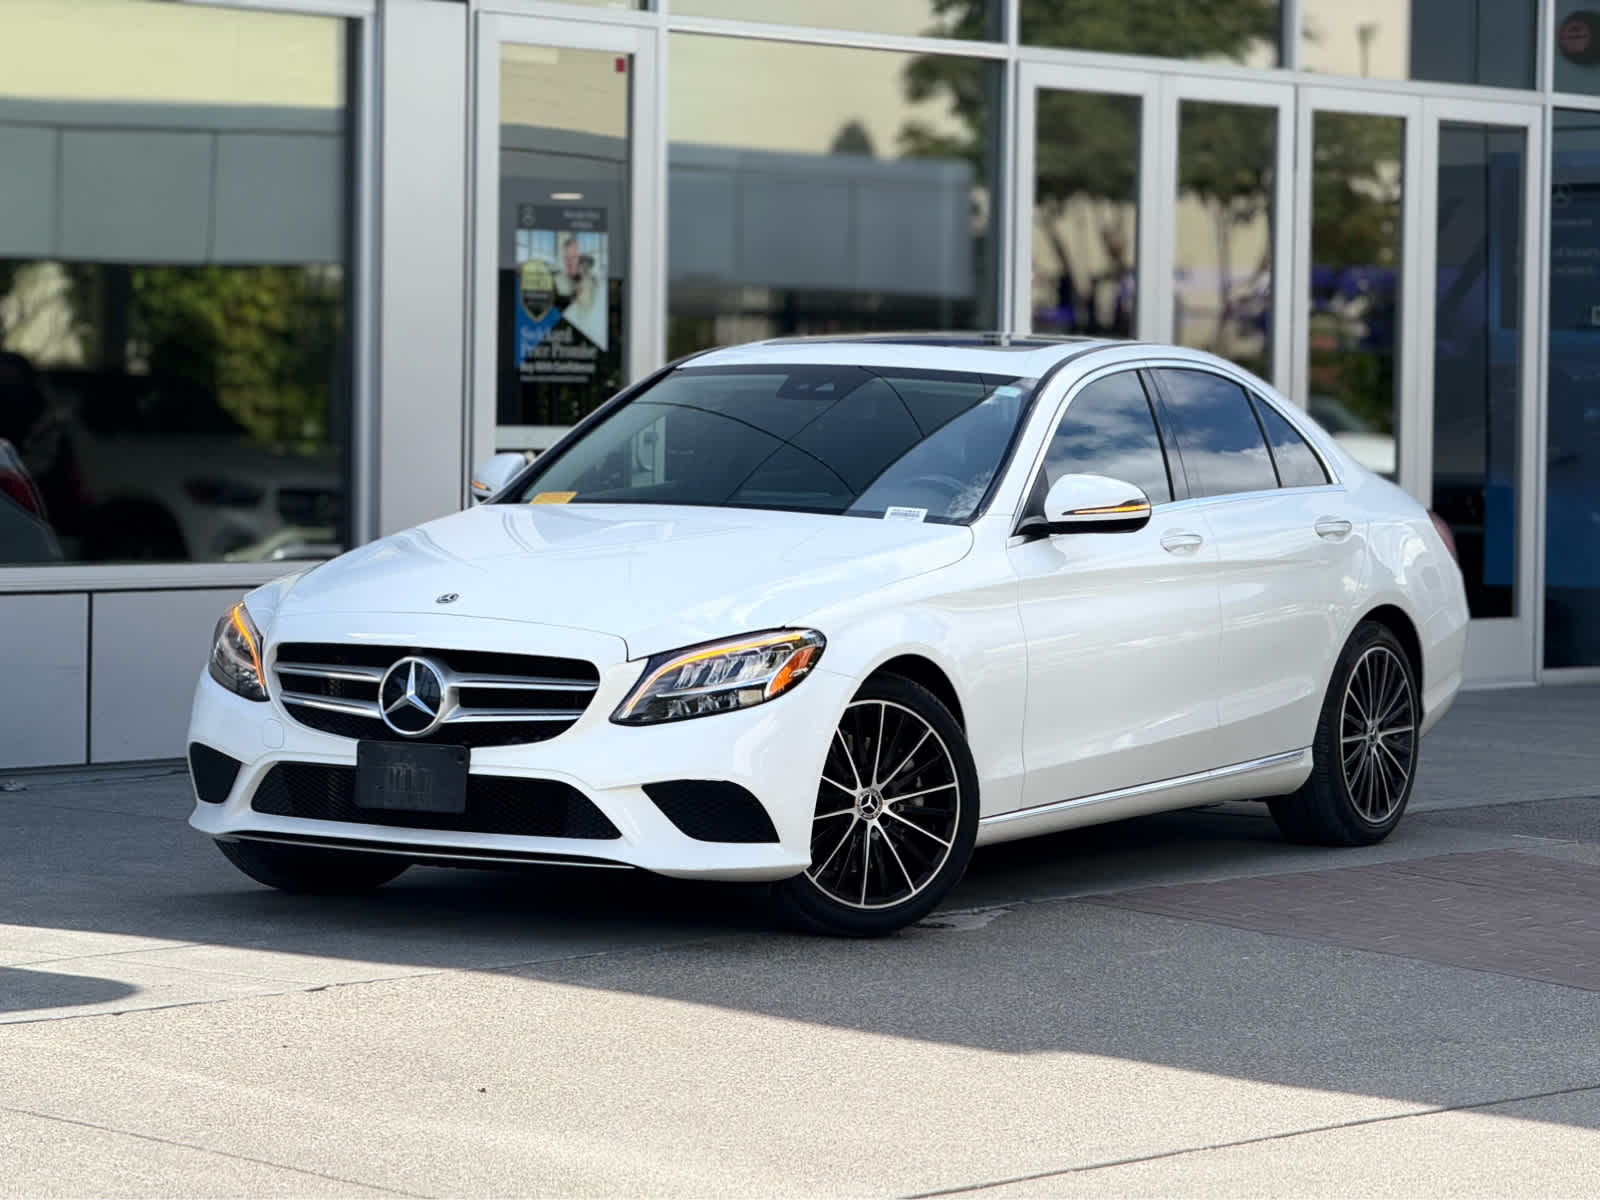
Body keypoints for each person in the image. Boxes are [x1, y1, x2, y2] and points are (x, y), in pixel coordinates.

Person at [562, 256, 608, 351]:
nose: (585, 268)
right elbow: (572, 295)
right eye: (583, 265)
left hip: (591, 310)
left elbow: (597, 293)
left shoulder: (594, 279)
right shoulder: (576, 280)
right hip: (580, 310)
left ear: (591, 267)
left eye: (588, 265)